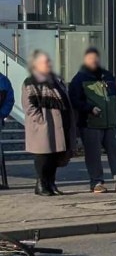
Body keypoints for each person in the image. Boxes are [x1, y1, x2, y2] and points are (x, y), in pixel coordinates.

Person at [69, 48, 116, 193]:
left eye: (96, 59)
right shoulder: (79, 79)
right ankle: (97, 182)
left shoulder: (108, 76)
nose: (94, 62)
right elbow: (74, 100)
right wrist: (89, 108)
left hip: (111, 122)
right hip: (90, 123)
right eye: (90, 59)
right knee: (93, 155)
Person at [22, 51, 73, 196]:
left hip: (59, 125)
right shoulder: (31, 82)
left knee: (54, 157)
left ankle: (51, 183)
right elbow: (29, 106)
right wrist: (41, 121)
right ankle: (41, 185)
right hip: (44, 127)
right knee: (43, 157)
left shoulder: (56, 80)